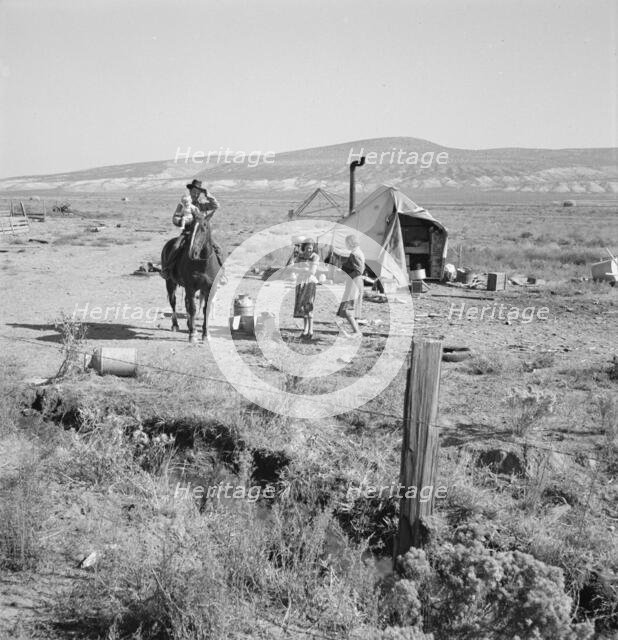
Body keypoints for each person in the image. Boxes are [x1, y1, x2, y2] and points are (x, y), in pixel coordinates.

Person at [337, 235, 365, 338]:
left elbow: (359, 271)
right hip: (356, 281)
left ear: (350, 242)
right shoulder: (358, 252)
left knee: (348, 308)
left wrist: (347, 276)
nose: (346, 244)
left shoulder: (354, 254)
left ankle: (357, 332)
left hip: (354, 281)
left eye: (347, 242)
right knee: (350, 307)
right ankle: (356, 330)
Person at [291, 238, 319, 341]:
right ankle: (305, 330)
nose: (309, 250)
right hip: (300, 283)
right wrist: (304, 269)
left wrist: (301, 270)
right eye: (307, 248)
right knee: (302, 307)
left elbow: (312, 271)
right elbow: (293, 268)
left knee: (309, 305)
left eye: (311, 248)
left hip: (309, 283)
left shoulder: (315, 257)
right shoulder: (300, 256)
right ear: (304, 248)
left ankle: (311, 330)